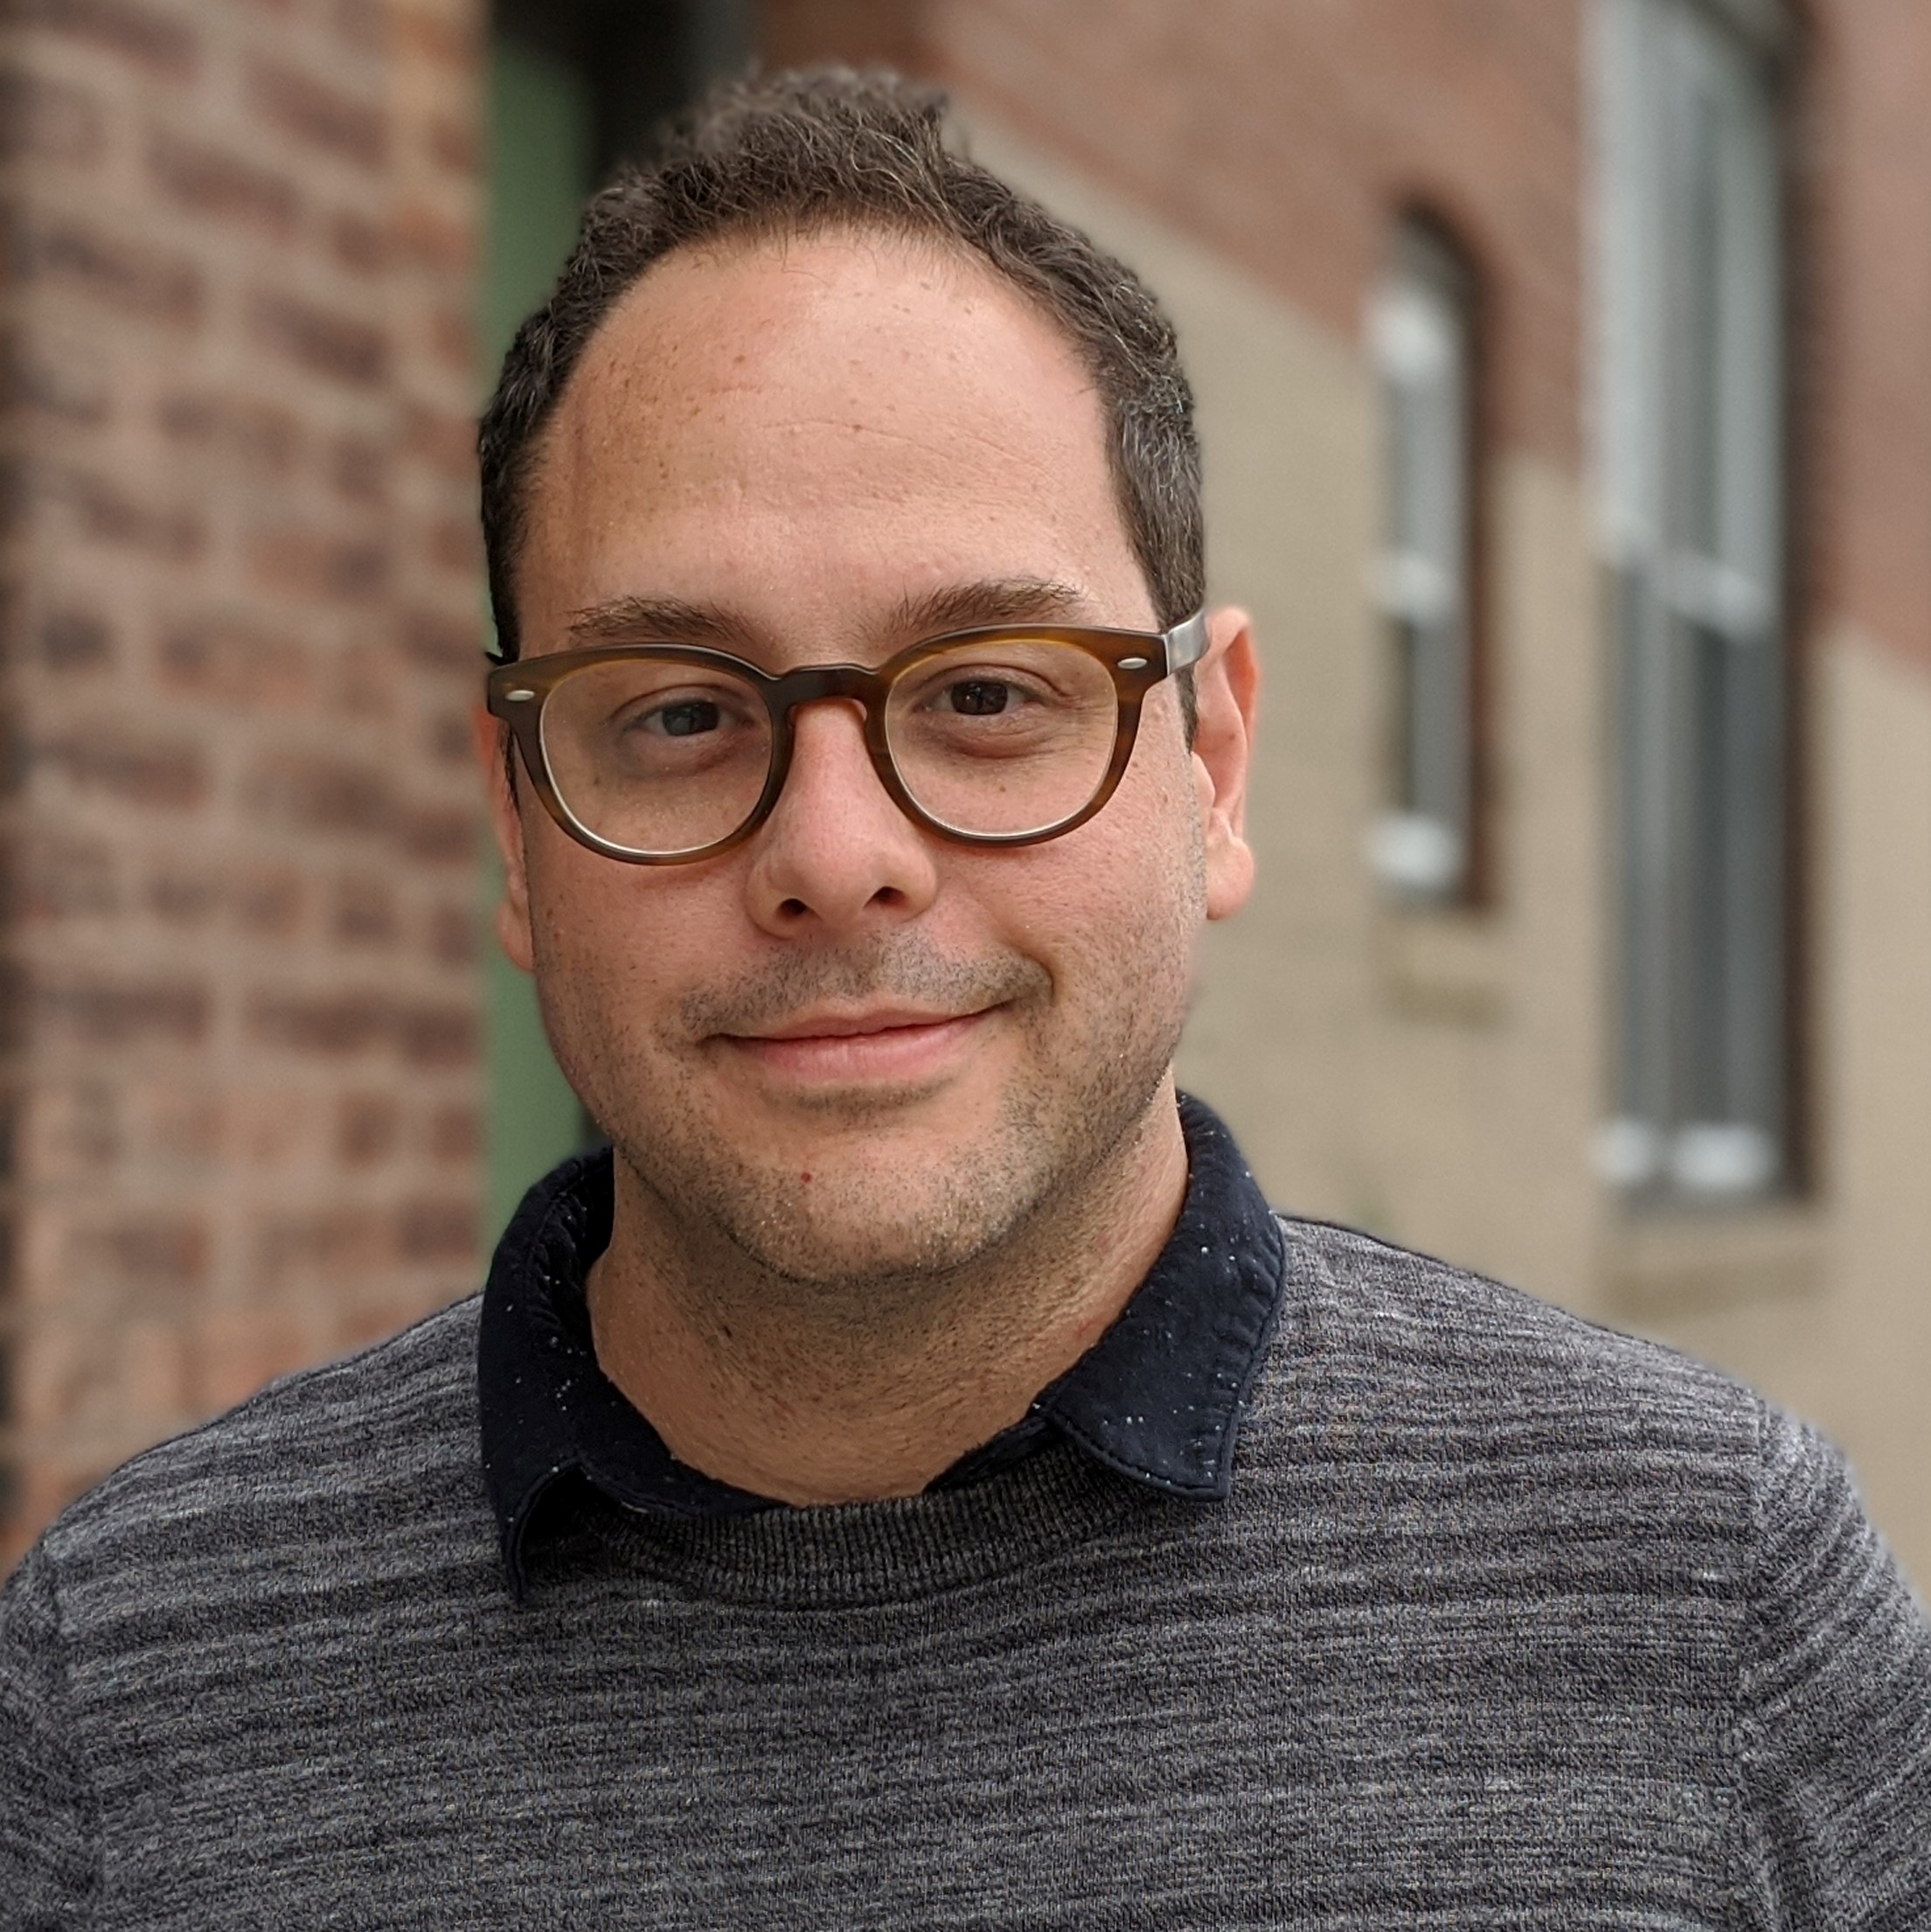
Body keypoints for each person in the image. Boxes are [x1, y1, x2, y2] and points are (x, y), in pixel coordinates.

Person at [2, 66, 1927, 1929]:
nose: (836, 851)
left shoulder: (1708, 1608)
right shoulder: (123, 1693)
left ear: (1215, 763)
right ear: (517, 828)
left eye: (989, 691)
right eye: (677, 713)